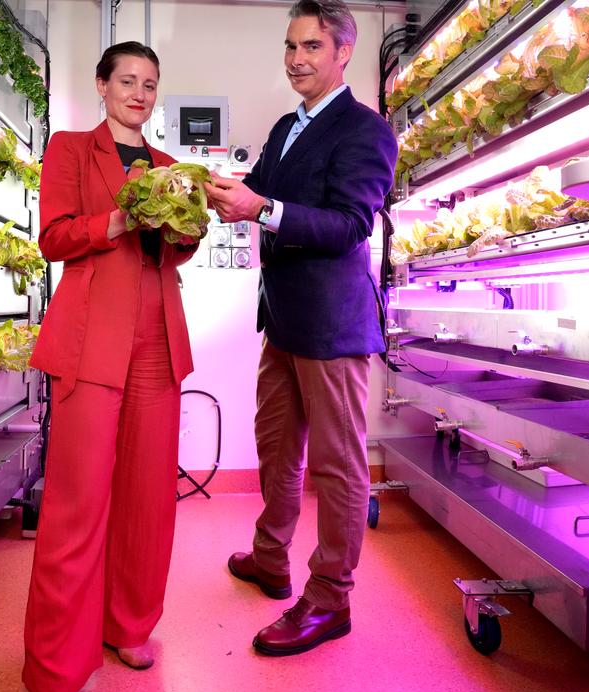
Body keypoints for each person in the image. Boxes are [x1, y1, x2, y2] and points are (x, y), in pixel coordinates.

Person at [206, 0, 397, 657]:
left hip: (334, 326)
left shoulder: (364, 130)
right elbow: (259, 191)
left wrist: (262, 207)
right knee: (279, 447)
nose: (296, 59)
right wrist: (213, 188)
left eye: (311, 46)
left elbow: (350, 224)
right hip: (283, 320)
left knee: (337, 467)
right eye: (291, 46)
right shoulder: (289, 126)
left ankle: (329, 599)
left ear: (343, 51)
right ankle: (270, 557)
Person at [23, 42, 200, 692]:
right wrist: (120, 219)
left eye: (149, 84)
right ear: (102, 85)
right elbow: (55, 238)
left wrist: (185, 222)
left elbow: (177, 247)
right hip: (91, 341)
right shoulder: (70, 150)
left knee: (149, 498)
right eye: (127, 80)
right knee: (74, 506)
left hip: (157, 339)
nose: (139, 93)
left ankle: (129, 626)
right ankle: (53, 675)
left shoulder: (167, 165)